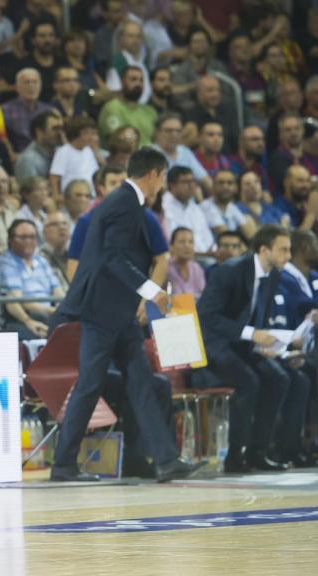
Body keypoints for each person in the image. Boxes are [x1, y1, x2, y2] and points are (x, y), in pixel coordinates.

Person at [54, 148, 201, 483]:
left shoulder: (127, 204)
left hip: (119, 312)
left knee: (142, 384)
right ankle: (63, 465)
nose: (162, 184)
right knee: (90, 385)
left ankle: (165, 460)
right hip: (103, 311)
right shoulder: (123, 203)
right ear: (152, 174)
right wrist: (153, 292)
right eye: (163, 177)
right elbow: (114, 259)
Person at [197, 224, 295, 472]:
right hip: (213, 343)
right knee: (249, 381)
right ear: (264, 250)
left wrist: (266, 344)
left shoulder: (273, 273)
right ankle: (234, 456)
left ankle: (257, 452)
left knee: (279, 377)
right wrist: (252, 334)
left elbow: (257, 315)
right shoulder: (228, 271)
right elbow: (206, 316)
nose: (288, 256)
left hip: (241, 344)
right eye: (283, 250)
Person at [0, 219, 62, 340]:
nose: (28, 241)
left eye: (32, 237)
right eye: (23, 237)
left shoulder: (41, 261)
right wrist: (50, 311)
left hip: (51, 313)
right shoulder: (6, 262)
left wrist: (61, 309)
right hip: (27, 315)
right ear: (11, 239)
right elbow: (19, 299)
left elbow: (57, 291)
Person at [161, 166, 215, 255]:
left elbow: (209, 241)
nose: (191, 186)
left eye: (193, 181)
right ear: (172, 185)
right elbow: (171, 244)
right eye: (185, 182)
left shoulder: (196, 208)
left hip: (205, 257)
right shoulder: (163, 207)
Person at [49, 115, 101, 194]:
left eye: (92, 133)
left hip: (91, 195)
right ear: (76, 134)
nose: (91, 137)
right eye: (86, 133)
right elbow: (54, 177)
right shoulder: (63, 151)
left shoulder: (89, 150)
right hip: (72, 196)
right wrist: (56, 196)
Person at [167, 226, 206, 297]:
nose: (187, 246)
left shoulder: (196, 268)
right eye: (182, 242)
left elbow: (203, 294)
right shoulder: (165, 268)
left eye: (190, 242)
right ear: (171, 246)